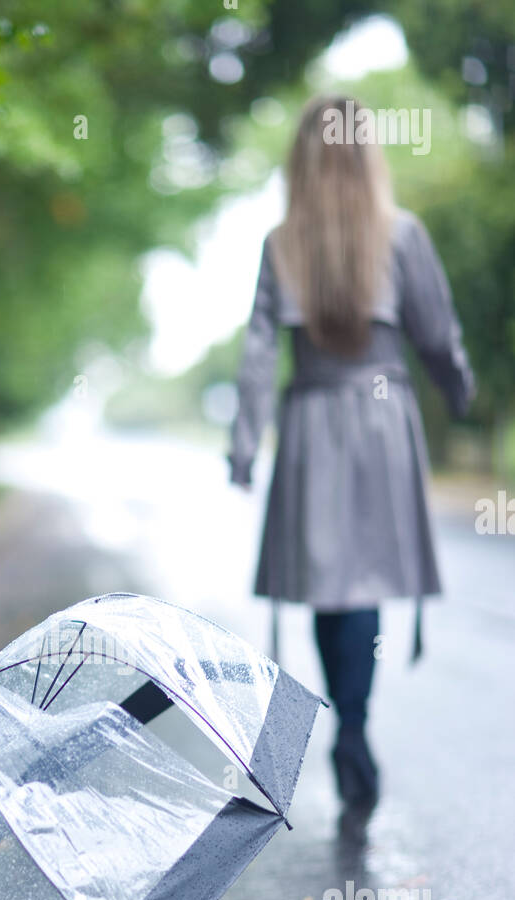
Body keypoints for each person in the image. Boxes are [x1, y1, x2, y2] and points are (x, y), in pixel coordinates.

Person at [227, 93, 475, 810]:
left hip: (310, 425)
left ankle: (349, 722)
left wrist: (243, 449)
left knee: (332, 582)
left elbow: (255, 355)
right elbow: (437, 334)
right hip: (380, 420)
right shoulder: (402, 235)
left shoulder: (280, 243)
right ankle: (356, 727)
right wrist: (458, 393)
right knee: (361, 582)